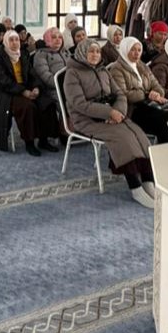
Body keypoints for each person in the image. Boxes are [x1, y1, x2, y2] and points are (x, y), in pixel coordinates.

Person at [63, 41, 155, 208]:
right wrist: (108, 112)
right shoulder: (72, 73)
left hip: (112, 114)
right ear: (82, 53)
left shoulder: (103, 70)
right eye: (91, 51)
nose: (95, 55)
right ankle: (135, 187)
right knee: (123, 138)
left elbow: (120, 94)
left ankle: (148, 181)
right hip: (86, 119)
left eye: (98, 51)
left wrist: (118, 111)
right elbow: (79, 104)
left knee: (138, 134)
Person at [0, 30, 59, 156]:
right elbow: (2, 80)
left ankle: (43, 140)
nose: (15, 43)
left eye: (16, 40)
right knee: (28, 107)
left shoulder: (23, 53)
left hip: (25, 88)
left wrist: (36, 87)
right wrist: (22, 91)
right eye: (11, 40)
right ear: (5, 42)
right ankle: (29, 142)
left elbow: (32, 74)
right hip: (6, 93)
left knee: (47, 103)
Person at [107, 36, 168, 143]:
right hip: (131, 110)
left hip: (148, 105)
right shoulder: (117, 68)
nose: (137, 53)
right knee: (163, 123)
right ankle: (165, 151)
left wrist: (156, 93)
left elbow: (157, 85)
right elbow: (122, 94)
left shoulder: (142, 66)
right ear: (125, 50)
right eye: (133, 50)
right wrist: (146, 94)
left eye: (139, 50)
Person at [33, 27, 69, 95]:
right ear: (47, 39)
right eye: (54, 37)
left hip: (71, 86)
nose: (58, 39)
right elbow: (46, 77)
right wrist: (66, 84)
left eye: (60, 37)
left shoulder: (66, 52)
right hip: (55, 90)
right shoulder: (41, 54)